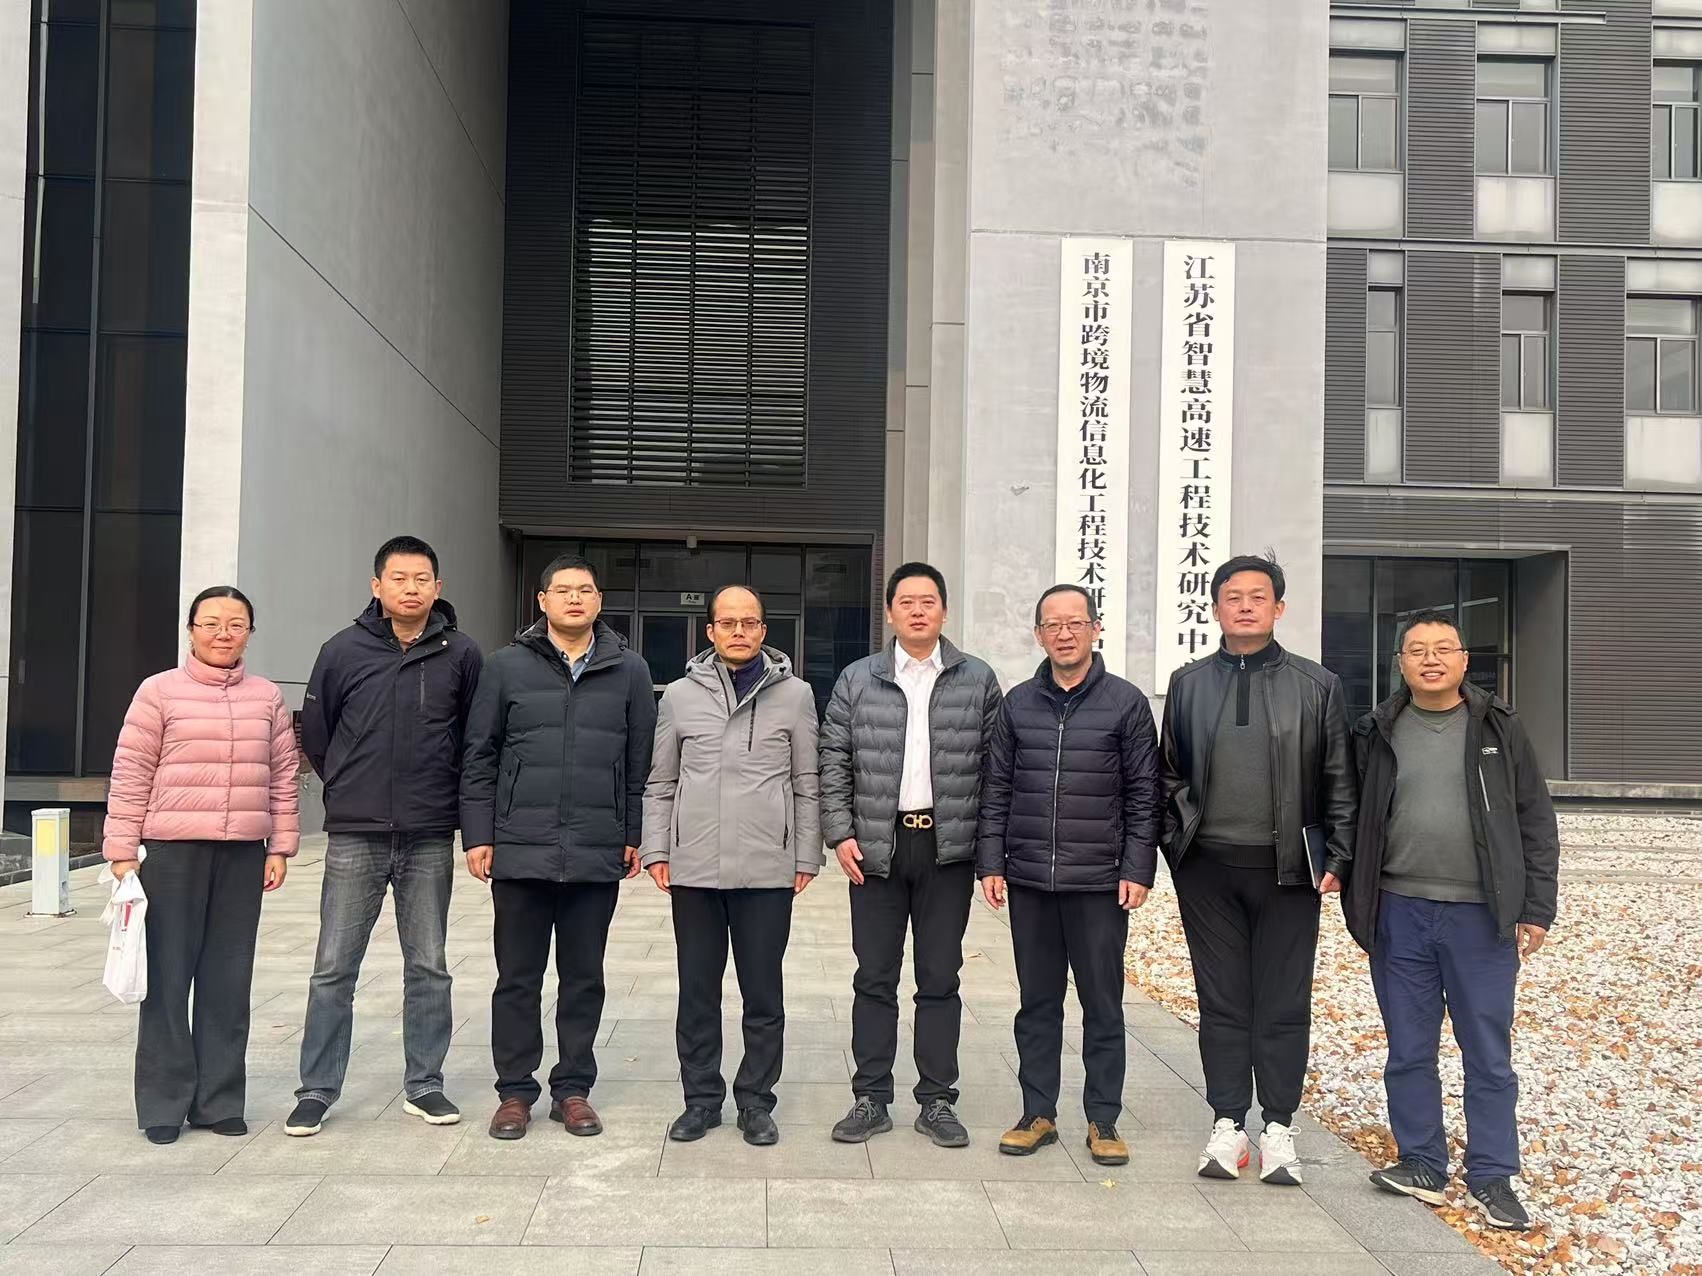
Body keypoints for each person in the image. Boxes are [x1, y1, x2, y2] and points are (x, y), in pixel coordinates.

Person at [1345, 609, 1558, 1231]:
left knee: (1487, 1051)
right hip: (1399, 910)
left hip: (1480, 917)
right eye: (1417, 650)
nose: (1430, 659)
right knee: (1409, 1047)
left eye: (1443, 648)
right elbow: (1351, 812)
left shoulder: (1499, 727)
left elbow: (1534, 819)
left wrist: (1536, 907)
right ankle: (1422, 1162)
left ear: (1465, 660)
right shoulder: (1377, 730)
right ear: (1401, 663)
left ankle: (1493, 1175)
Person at [1159, 553, 1357, 1186]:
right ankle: (1227, 1123)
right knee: (1220, 999)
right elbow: (1169, 774)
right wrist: (1176, 845)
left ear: (1279, 607)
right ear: (1216, 608)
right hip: (1208, 872)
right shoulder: (1188, 683)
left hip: (1289, 872)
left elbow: (1338, 778)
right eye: (1233, 597)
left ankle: (1277, 1124)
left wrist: (1339, 857)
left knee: (1282, 999)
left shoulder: (1316, 685)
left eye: (1258, 597)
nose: (1245, 606)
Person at [286, 536, 484, 1137]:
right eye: (399, 578)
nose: (411, 588)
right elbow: (318, 734)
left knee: (429, 966)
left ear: (438, 587)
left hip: (428, 832)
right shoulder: (342, 650)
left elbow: (475, 740)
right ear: (377, 586)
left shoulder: (461, 654)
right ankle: (316, 1089)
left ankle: (425, 1084)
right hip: (357, 833)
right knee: (333, 967)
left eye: (422, 579)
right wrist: (349, 785)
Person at [460, 554, 656, 1140]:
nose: (575, 598)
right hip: (520, 848)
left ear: (599, 601)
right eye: (563, 590)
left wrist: (633, 833)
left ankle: (573, 1089)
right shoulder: (505, 666)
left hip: (596, 847)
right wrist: (479, 834)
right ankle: (514, 1092)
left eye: (585, 590)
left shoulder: (629, 670)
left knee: (583, 978)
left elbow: (640, 762)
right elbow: (479, 755)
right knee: (517, 978)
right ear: (542, 600)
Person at [103, 586, 300, 1145]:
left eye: (236, 624)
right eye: (210, 622)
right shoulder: (158, 691)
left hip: (242, 854)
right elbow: (131, 770)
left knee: (228, 981)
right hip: (171, 852)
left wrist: (281, 845)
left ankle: (219, 1101)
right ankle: (163, 1105)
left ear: (249, 634)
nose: (223, 633)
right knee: (167, 980)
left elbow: (284, 774)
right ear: (190, 629)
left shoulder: (266, 696)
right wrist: (121, 849)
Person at [819, 562, 1004, 1148]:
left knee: (939, 977)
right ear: (890, 612)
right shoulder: (857, 679)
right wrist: (839, 832)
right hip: (877, 846)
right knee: (874, 976)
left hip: (947, 849)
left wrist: (989, 853)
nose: (918, 611)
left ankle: (937, 1099)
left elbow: (998, 770)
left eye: (928, 601)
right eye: (907, 601)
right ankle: (871, 1097)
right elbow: (833, 758)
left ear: (944, 611)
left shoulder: (977, 679)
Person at [977, 585, 1162, 1167]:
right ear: (1038, 634)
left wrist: (1137, 866)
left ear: (1095, 628)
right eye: (1052, 625)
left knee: (1103, 1003)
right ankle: (1038, 1112)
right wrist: (991, 861)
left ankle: (1103, 1118)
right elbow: (996, 788)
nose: (1064, 633)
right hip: (1031, 879)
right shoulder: (1018, 704)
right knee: (1037, 1003)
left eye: (1075, 623)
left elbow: (1145, 793)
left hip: (1099, 883)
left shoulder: (1126, 703)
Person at [642, 585, 822, 1147]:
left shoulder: (795, 695)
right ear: (710, 631)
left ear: (764, 631)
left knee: (762, 994)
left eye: (749, 623)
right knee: (697, 991)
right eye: (728, 623)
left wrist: (806, 853)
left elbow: (807, 782)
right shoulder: (678, 696)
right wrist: (656, 850)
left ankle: (756, 1102)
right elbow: (662, 780)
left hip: (767, 869)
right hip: (694, 868)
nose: (739, 631)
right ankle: (700, 1100)